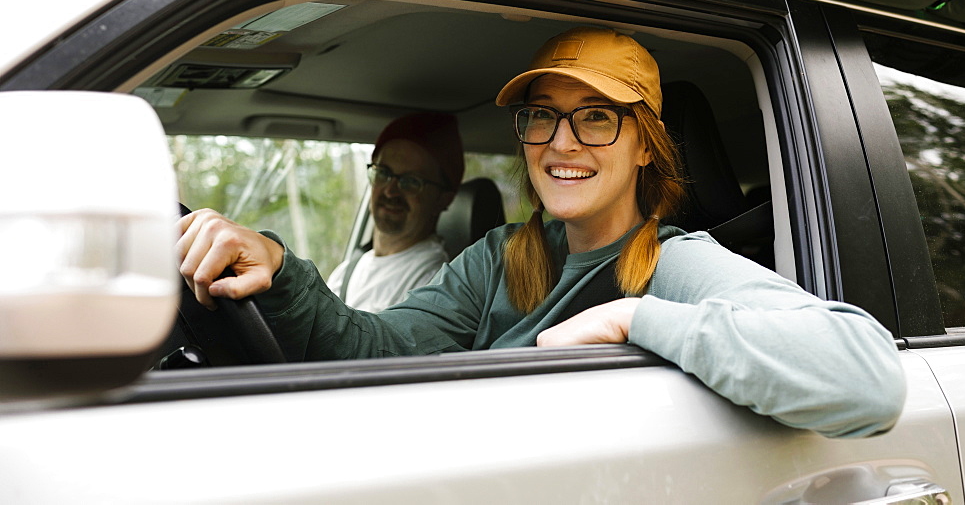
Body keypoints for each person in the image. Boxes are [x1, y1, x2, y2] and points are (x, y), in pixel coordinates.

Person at [178, 26, 906, 438]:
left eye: (596, 117)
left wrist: (633, 318)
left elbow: (868, 379)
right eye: (541, 116)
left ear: (645, 143)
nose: (561, 143)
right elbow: (375, 349)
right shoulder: (497, 258)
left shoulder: (675, 265)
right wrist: (279, 266)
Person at [327, 112, 464, 312]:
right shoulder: (350, 268)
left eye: (411, 181)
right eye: (383, 173)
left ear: (443, 199)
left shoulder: (433, 282)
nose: (390, 191)